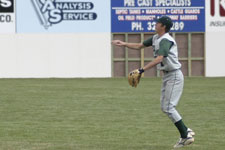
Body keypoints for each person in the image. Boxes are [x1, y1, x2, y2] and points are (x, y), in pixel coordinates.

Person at [111, 16, 195, 148]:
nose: (156, 24)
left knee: (168, 107)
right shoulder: (156, 37)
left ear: (163, 26)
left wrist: (141, 70)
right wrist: (123, 43)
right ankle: (186, 130)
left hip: (174, 75)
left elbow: (160, 58)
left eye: (158, 22)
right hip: (167, 76)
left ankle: (185, 136)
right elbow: (140, 45)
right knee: (165, 107)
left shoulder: (166, 40)